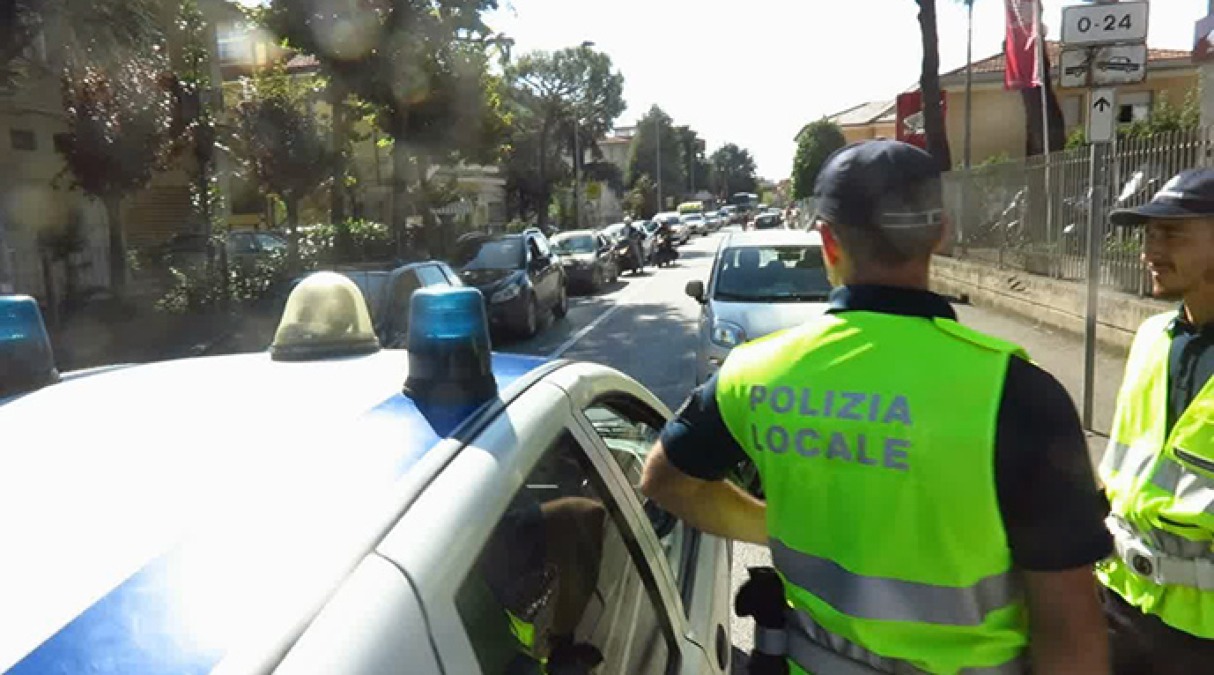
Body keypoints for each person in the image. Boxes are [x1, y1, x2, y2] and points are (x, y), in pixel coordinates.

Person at [640, 140, 1112, 675]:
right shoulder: (1019, 393)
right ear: (940, 232)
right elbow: (1071, 630)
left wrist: (775, 527)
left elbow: (666, 480)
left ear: (828, 241)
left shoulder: (754, 373)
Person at [1098, 168, 1214, 673]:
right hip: (1120, 603)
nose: (1150, 250)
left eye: (1171, 233)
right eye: (1148, 234)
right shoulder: (1151, 336)